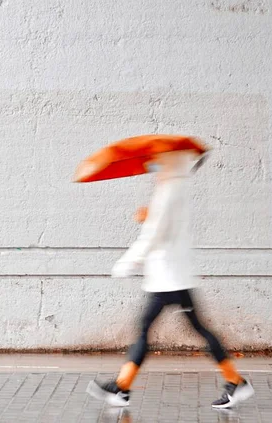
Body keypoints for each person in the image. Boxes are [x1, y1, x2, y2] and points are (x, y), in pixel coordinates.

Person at [86, 150, 254, 410]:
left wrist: (128, 261)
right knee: (197, 329)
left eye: (157, 163)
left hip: (165, 278)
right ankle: (235, 381)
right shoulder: (176, 187)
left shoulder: (168, 191)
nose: (152, 168)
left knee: (145, 329)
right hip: (176, 275)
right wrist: (149, 216)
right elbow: (166, 226)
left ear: (167, 164)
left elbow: (155, 235)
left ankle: (122, 388)